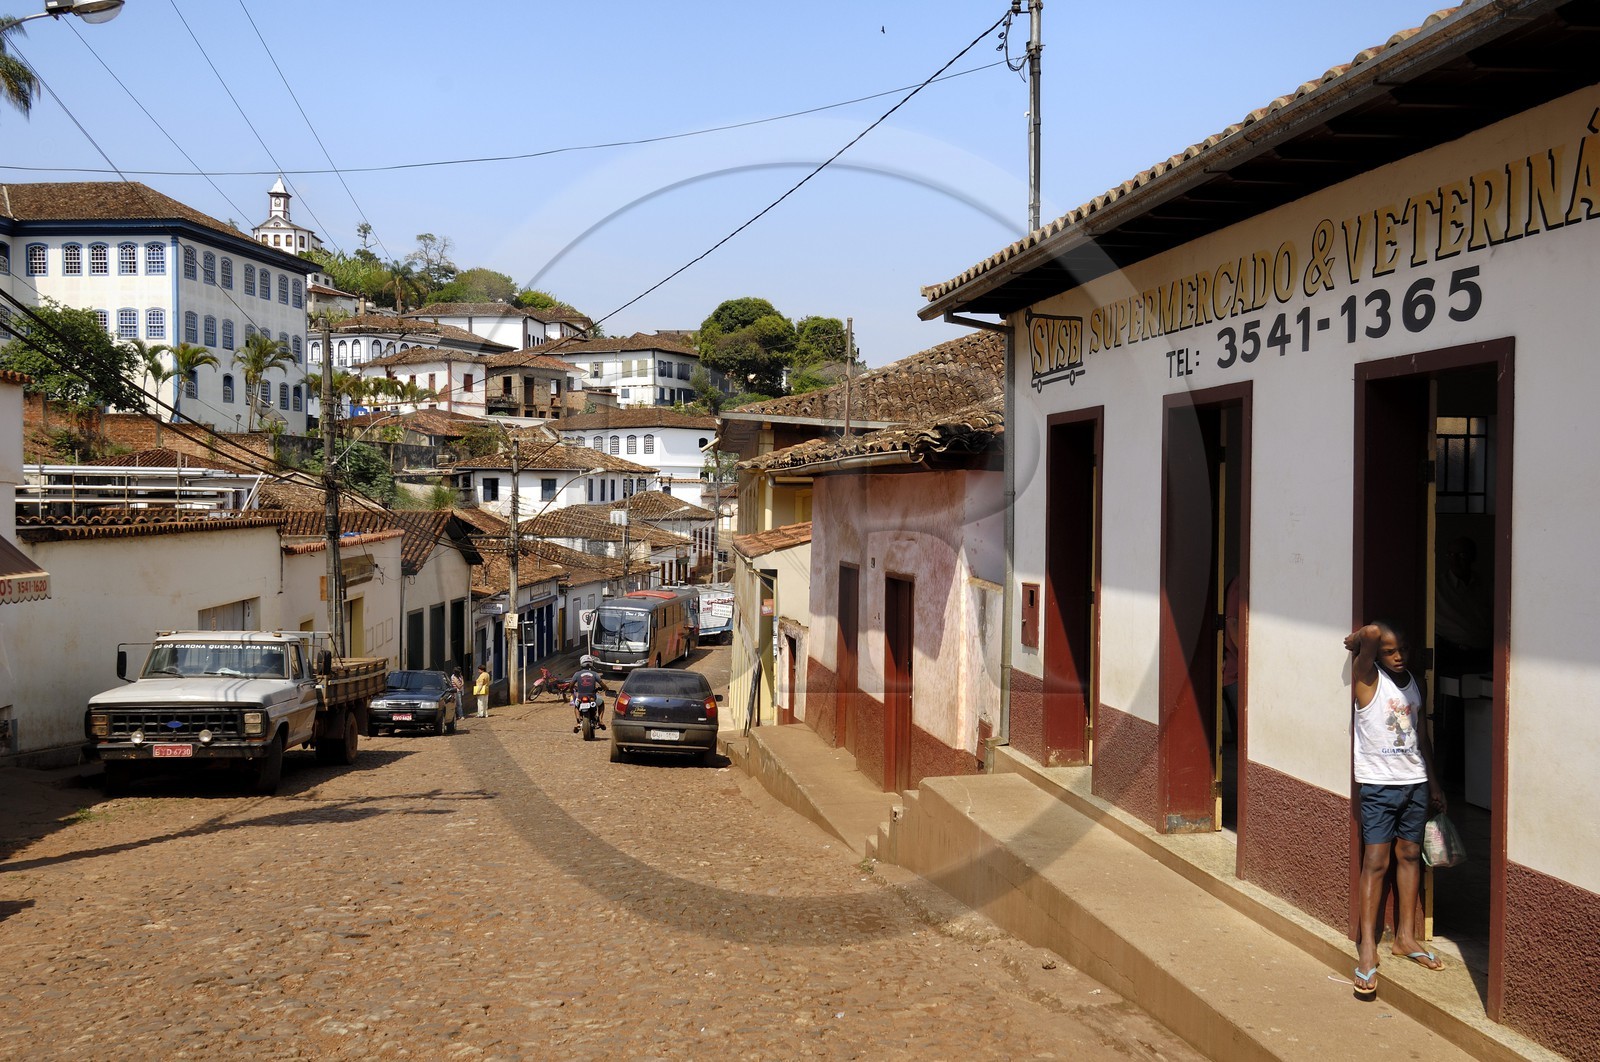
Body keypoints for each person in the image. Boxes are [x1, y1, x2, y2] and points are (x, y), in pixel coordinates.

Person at [1343, 621, 1447, 999]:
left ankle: (1405, 937)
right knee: (1375, 861)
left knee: (1409, 856)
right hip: (1378, 785)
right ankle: (1368, 947)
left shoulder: (1415, 683)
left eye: (1402, 648)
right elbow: (1371, 632)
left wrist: (1433, 784)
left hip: (1414, 783)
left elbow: (1421, 737)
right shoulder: (1368, 678)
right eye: (1389, 651)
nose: (1398, 656)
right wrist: (1359, 639)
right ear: (1375, 655)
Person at [570, 655, 608, 733]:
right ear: (591, 663)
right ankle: (600, 720)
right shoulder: (595, 674)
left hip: (581, 697)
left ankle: (578, 722)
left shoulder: (577, 674)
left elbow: (571, 684)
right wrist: (605, 688)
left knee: (576, 706)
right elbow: (602, 684)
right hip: (592, 697)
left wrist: (571, 690)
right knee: (601, 703)